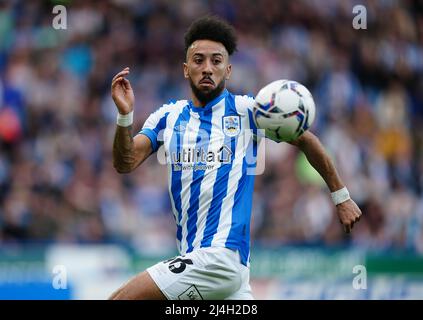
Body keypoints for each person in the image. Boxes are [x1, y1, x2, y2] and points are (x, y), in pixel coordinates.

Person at [108, 16, 362, 300]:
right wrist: (125, 115)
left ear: (228, 70)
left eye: (216, 61)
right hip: (216, 271)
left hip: (221, 258)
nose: (207, 68)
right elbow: (125, 162)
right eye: (199, 60)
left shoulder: (248, 112)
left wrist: (341, 196)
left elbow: (306, 140)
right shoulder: (168, 117)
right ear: (185, 68)